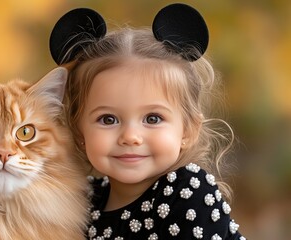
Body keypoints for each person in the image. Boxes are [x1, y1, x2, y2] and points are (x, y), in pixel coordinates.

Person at [50, 3, 245, 240]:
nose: (130, 136)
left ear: (188, 130)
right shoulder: (83, 199)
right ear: (79, 133)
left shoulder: (186, 191)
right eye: (108, 119)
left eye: (153, 118)